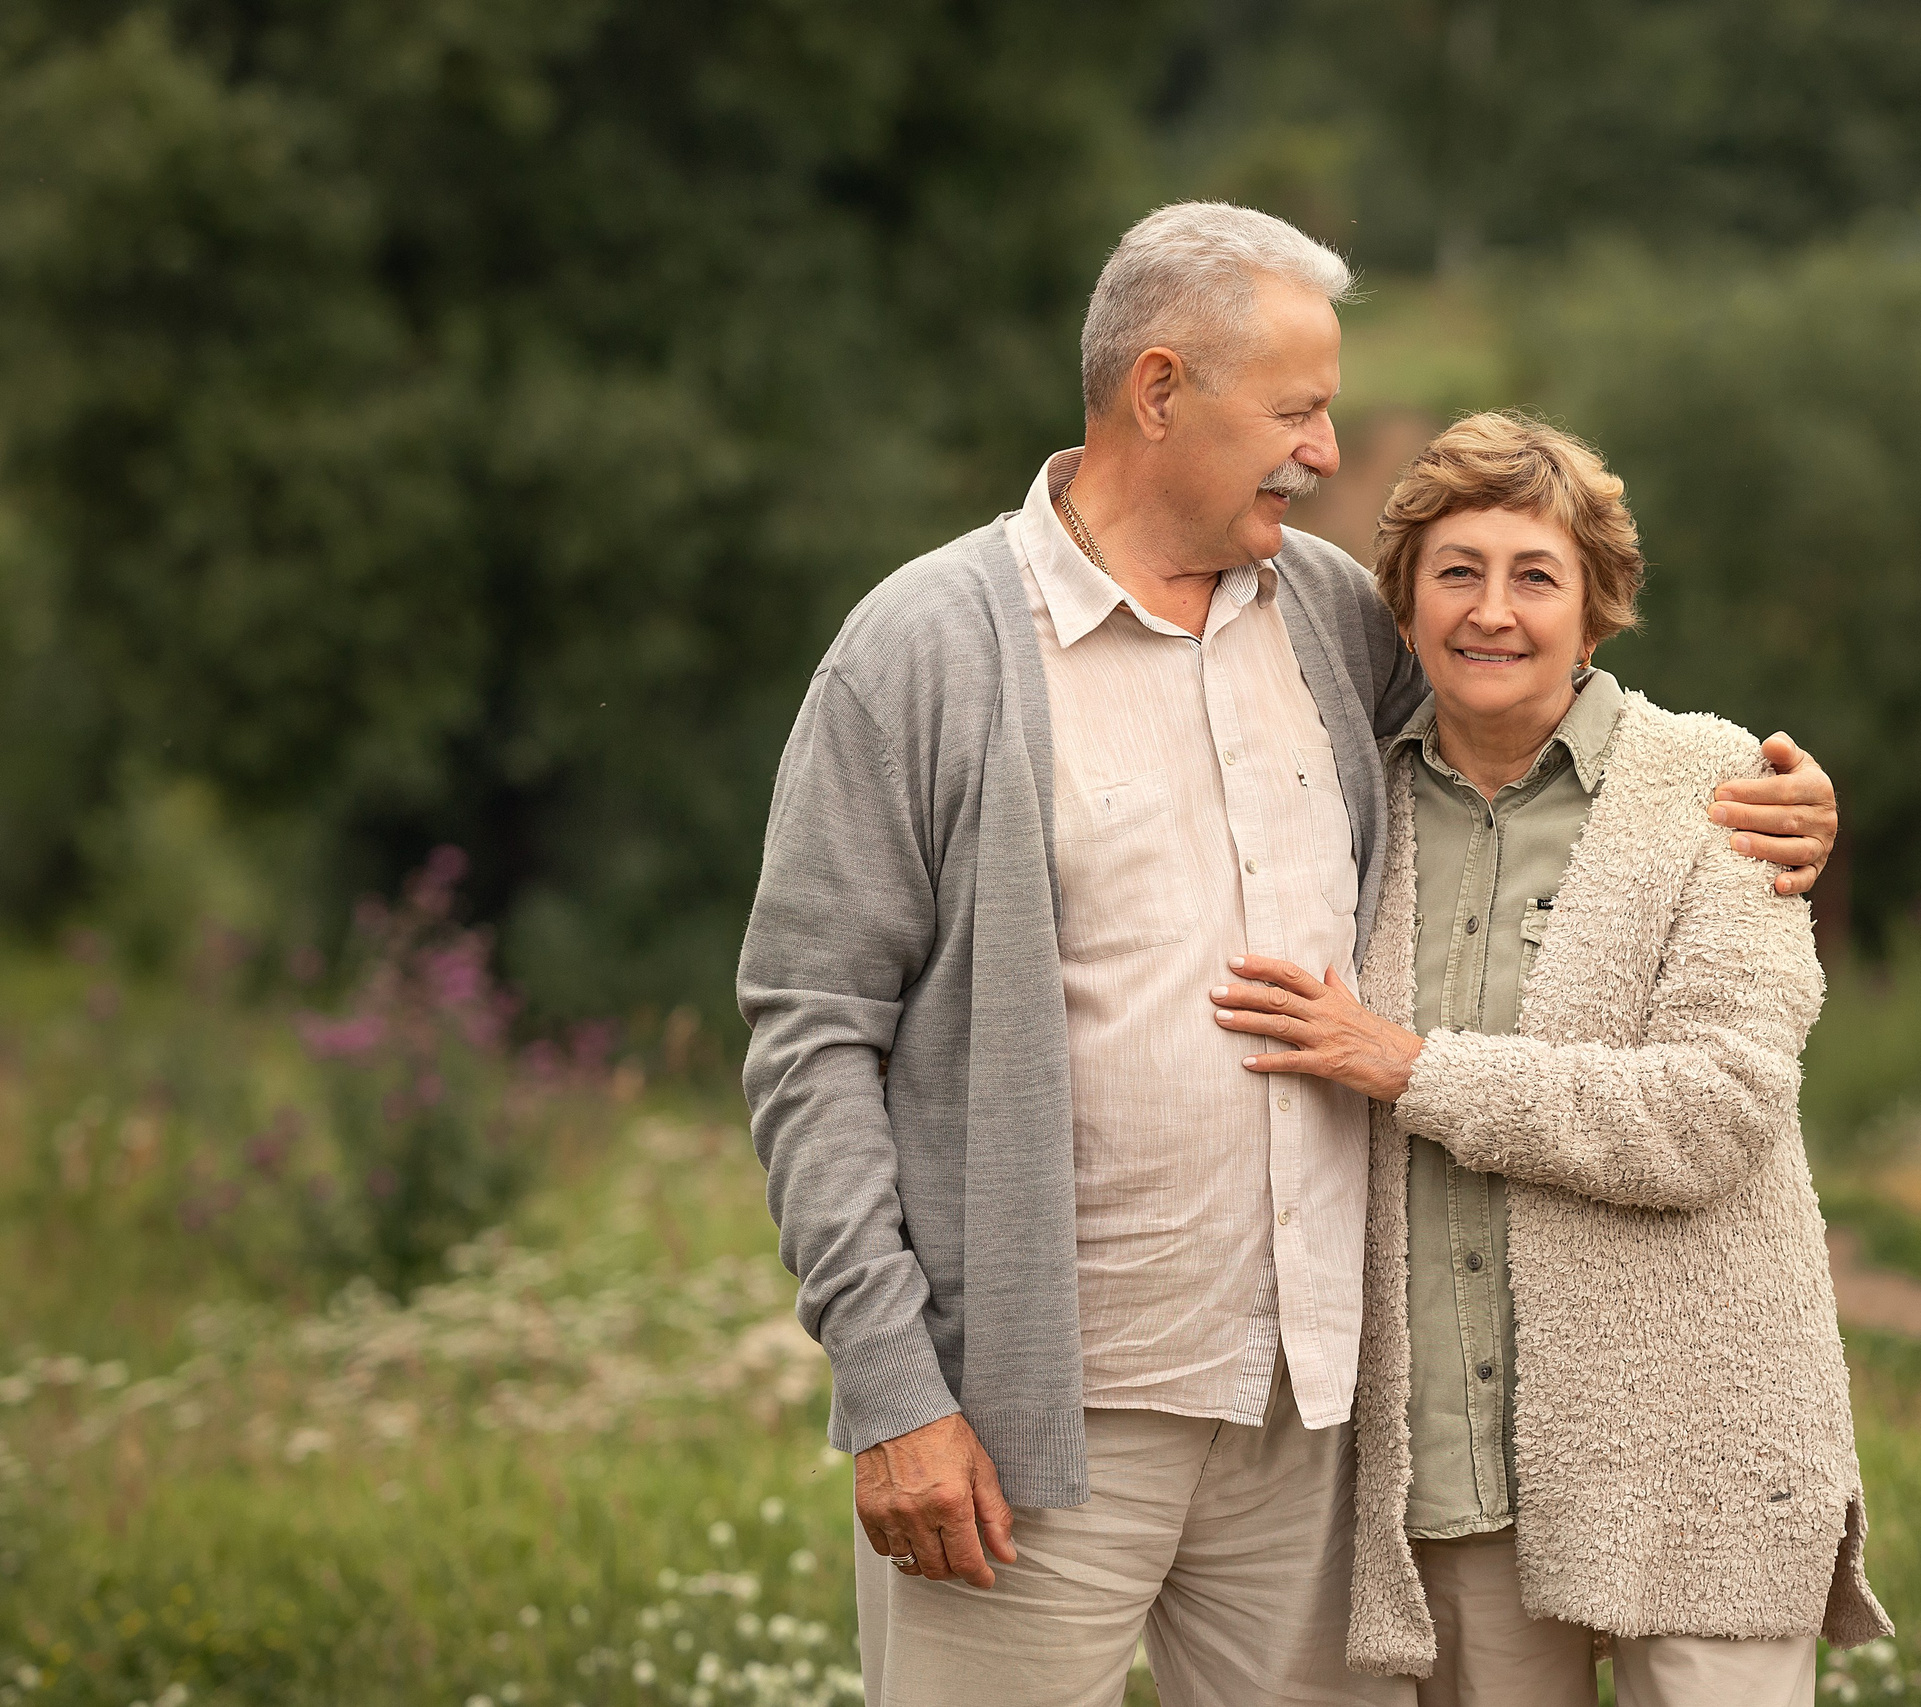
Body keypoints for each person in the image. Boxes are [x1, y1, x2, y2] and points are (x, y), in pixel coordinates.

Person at [735, 205, 1841, 1707]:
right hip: (1033, 1415)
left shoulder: (1324, 613)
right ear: (1162, 388)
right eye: (1299, 410)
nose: (1324, 453)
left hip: (1318, 1424)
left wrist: (1765, 792)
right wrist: (890, 1387)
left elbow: (1527, 700)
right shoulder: (922, 647)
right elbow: (810, 1032)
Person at [1204, 413, 1890, 1707]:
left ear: (1596, 611)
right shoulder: (1347, 816)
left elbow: (1713, 1112)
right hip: (1453, 1464)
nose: (1493, 612)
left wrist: (1410, 1066)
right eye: (1456, 571)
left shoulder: (1721, 787)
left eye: (1536, 576)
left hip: (1706, 1453)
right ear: (1403, 606)